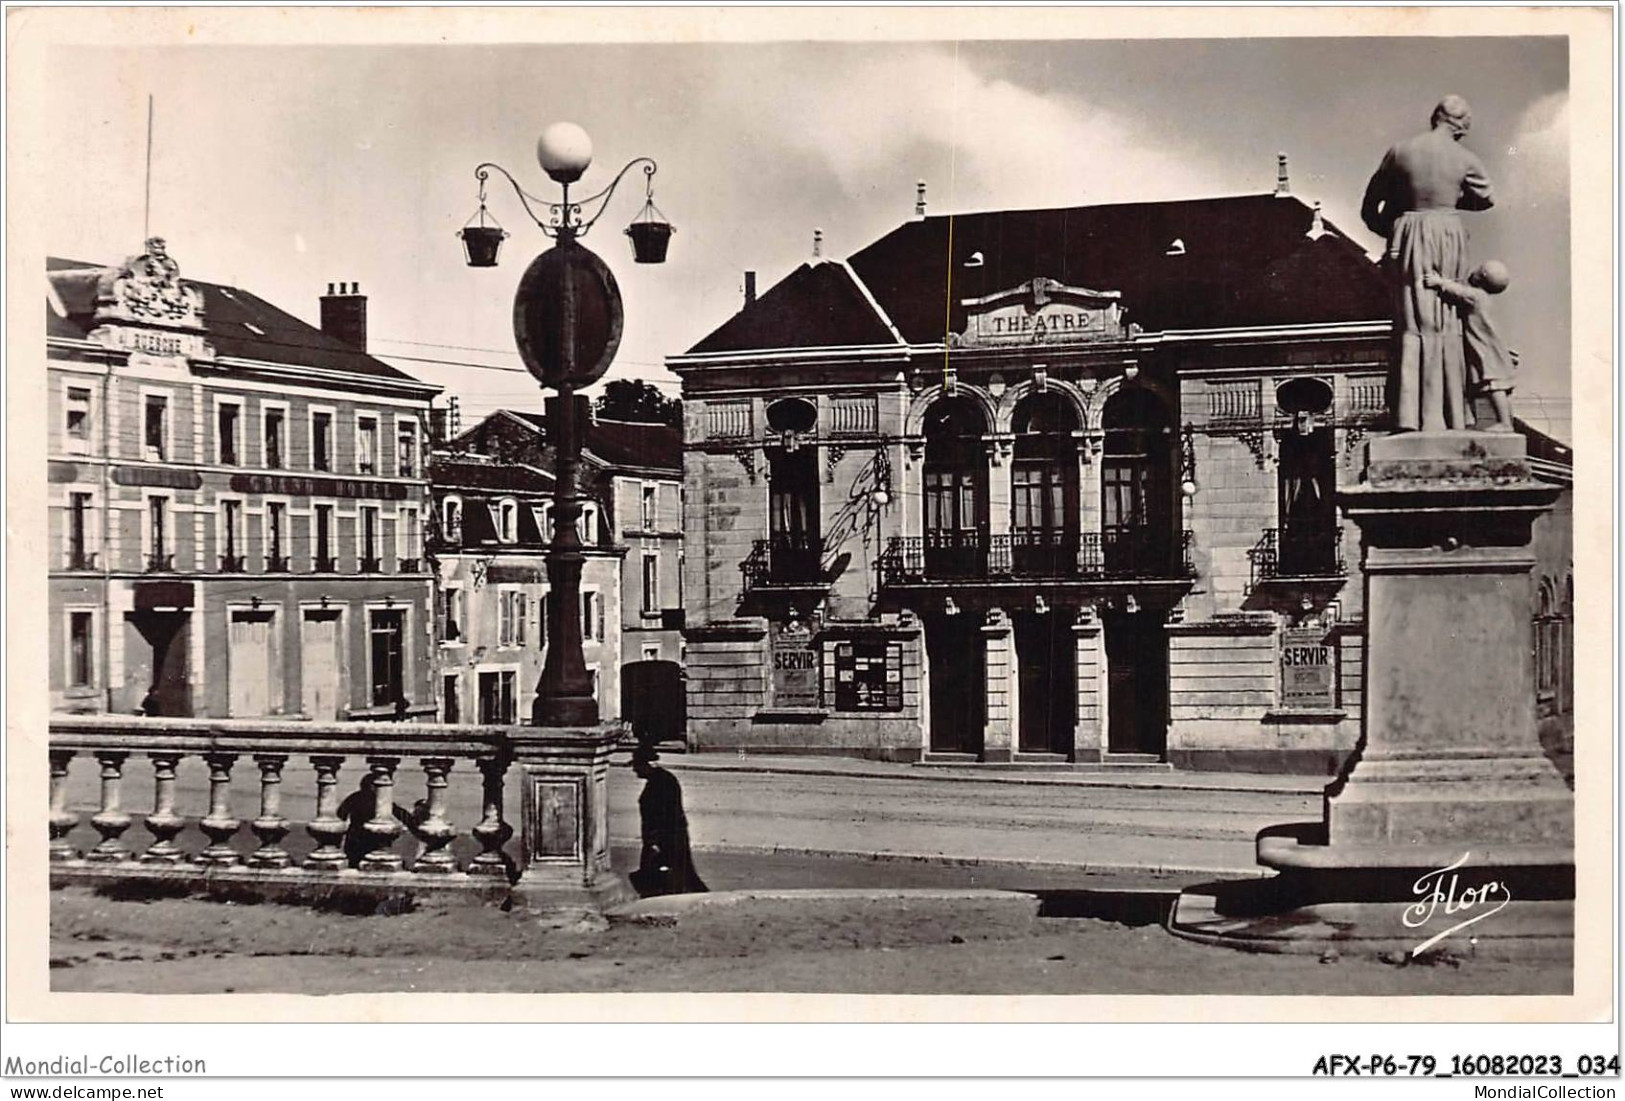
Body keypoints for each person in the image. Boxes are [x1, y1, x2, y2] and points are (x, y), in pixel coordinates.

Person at [1360, 95, 1495, 432]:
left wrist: (1393, 226)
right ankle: (1451, 415)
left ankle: (1410, 417)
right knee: (1447, 321)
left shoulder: (1400, 151)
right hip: (1447, 233)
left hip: (1408, 233)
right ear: (1461, 124)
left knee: (1411, 323)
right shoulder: (1465, 158)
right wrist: (1448, 199)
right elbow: (1486, 200)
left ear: (1434, 116)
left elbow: (1369, 207)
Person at [1424, 260, 1518, 432]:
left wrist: (1440, 282)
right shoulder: (1485, 299)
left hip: (1486, 351)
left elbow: (1460, 292)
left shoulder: (1477, 296)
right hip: (1492, 349)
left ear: (1482, 276)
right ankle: (1506, 421)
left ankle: (1505, 423)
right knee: (1499, 388)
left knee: (1495, 387)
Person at [630, 743, 707, 897]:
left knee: (669, 881)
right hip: (667, 839)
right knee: (681, 879)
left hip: (665, 840)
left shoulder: (662, 783)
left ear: (648, 764)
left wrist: (656, 843)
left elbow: (665, 816)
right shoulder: (660, 780)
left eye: (637, 765)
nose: (634, 769)